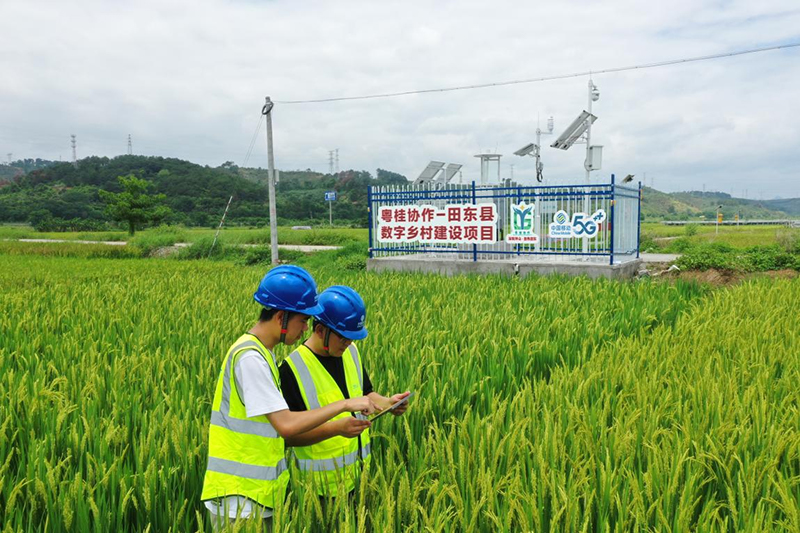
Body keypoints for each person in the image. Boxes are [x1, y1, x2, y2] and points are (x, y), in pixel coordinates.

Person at [201, 267, 377, 531]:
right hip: (239, 499)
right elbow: (286, 426)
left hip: (255, 495)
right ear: (282, 317)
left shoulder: (262, 354)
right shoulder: (251, 358)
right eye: (303, 321)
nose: (306, 329)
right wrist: (344, 405)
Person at [280, 285, 411, 499]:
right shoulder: (291, 370)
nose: (349, 343)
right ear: (320, 330)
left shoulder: (350, 352)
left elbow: (366, 393)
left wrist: (388, 403)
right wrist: (336, 429)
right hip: (319, 491)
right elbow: (287, 437)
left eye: (352, 337)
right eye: (343, 337)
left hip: (360, 477)